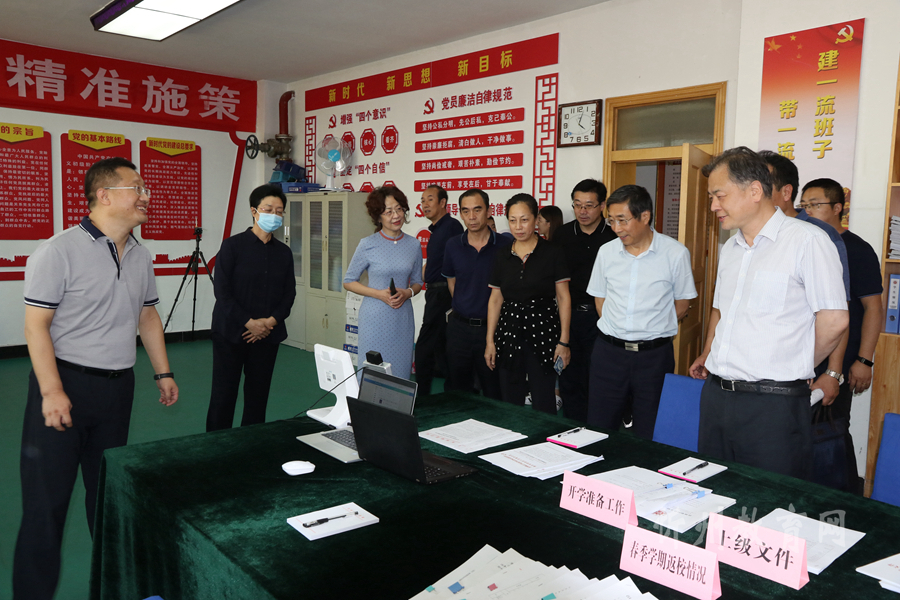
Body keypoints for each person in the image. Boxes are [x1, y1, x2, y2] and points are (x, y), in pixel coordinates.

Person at [14, 157, 179, 600]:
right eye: (136, 187)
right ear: (104, 195)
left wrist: (162, 371)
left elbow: (147, 316)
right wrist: (51, 391)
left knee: (107, 498)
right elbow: (36, 326)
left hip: (117, 390)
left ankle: (113, 587)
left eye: (144, 188)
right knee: (47, 505)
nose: (145, 195)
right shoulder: (58, 251)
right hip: (65, 387)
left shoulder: (140, 254)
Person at [689, 147, 847, 480]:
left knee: (769, 499)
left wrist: (795, 364)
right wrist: (708, 353)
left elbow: (834, 320)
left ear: (754, 191)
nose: (714, 205)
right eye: (712, 197)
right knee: (714, 490)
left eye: (720, 195)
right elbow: (723, 312)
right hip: (717, 398)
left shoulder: (807, 241)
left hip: (772, 405)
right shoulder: (730, 249)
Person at [585, 185, 696, 438]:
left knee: (650, 427)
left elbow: (681, 305)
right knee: (599, 424)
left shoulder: (675, 253)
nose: (616, 228)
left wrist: (648, 329)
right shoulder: (606, 252)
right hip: (609, 354)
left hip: (653, 357)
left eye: (622, 220)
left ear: (645, 216)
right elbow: (600, 300)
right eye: (611, 220)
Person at [800, 177, 883, 492]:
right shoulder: (804, 243)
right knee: (799, 432)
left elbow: (873, 308)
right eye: (803, 205)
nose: (807, 211)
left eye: (815, 205)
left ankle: (841, 499)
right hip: (804, 356)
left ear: (838, 208)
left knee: (830, 432)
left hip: (840, 360)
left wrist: (864, 360)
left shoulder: (857, 250)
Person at [759, 150, 851, 409]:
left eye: (762, 186)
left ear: (786, 192)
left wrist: (832, 371)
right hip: (758, 367)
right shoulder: (751, 235)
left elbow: (837, 310)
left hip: (805, 366)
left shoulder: (818, 235)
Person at [206, 184, 296, 432]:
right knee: (224, 395)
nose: (274, 215)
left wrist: (269, 323)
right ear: (254, 211)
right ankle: (216, 443)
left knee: (258, 396)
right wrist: (250, 323)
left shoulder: (284, 253)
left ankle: (251, 443)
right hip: (230, 333)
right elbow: (222, 292)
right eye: (268, 209)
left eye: (279, 211)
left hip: (267, 335)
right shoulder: (232, 246)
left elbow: (289, 295)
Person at [485, 193, 571, 414]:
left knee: (544, 399)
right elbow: (495, 299)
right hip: (509, 333)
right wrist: (490, 341)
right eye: (512, 220)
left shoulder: (553, 252)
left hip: (544, 332)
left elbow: (563, 298)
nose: (518, 226)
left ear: (535, 219)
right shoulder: (502, 255)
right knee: (510, 399)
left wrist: (564, 341)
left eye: (524, 220)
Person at [553, 179, 617, 422]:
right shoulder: (562, 235)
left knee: (599, 375)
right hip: (568, 315)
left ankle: (598, 428)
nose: (582, 211)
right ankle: (572, 426)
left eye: (589, 205)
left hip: (602, 315)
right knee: (570, 375)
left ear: (602, 206)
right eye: (577, 205)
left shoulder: (613, 235)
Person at [344, 186, 423, 379]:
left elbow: (418, 282)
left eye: (399, 209)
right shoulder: (367, 244)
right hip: (374, 318)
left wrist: (407, 293)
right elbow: (349, 281)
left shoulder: (414, 245)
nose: (396, 215)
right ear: (378, 217)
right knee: (373, 372)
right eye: (388, 212)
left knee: (400, 372)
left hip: (402, 318)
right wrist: (379, 294)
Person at [442, 189, 511, 399]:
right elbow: (452, 281)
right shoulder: (453, 245)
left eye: (477, 210)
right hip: (459, 329)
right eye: (466, 211)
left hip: (493, 330)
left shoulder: (505, 246)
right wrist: (464, 305)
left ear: (489, 211)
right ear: (460, 214)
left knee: (494, 391)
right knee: (457, 392)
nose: (471, 217)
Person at [414, 185, 463, 395]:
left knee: (425, 345)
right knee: (441, 346)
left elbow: (458, 263)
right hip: (435, 292)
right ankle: (451, 393)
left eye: (430, 199)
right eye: (422, 200)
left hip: (444, 294)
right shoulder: (437, 230)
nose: (425, 204)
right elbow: (434, 264)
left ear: (443, 203)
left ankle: (422, 395)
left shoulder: (451, 227)